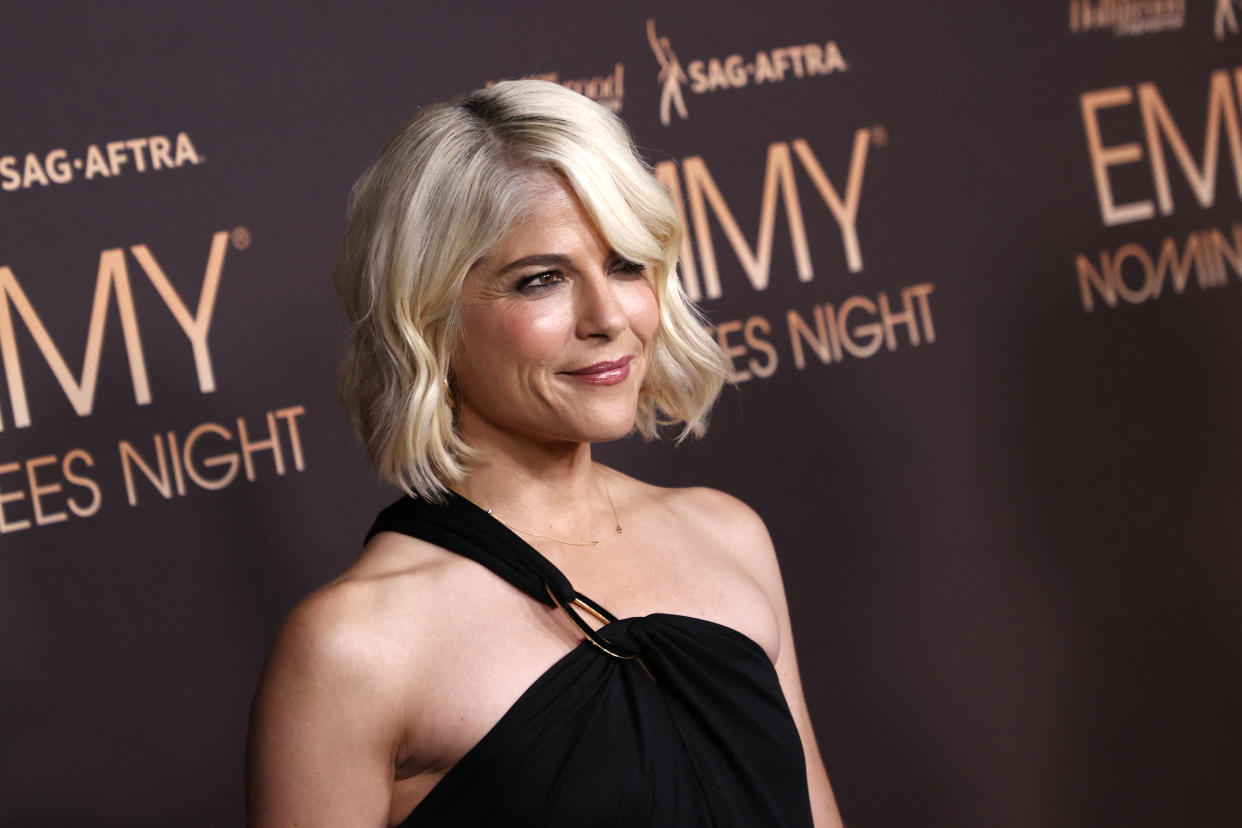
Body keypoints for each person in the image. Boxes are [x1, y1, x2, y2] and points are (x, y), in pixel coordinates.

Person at [246, 79, 844, 827]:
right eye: (542, 280)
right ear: (426, 316)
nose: (608, 317)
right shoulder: (355, 645)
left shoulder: (728, 538)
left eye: (626, 264)